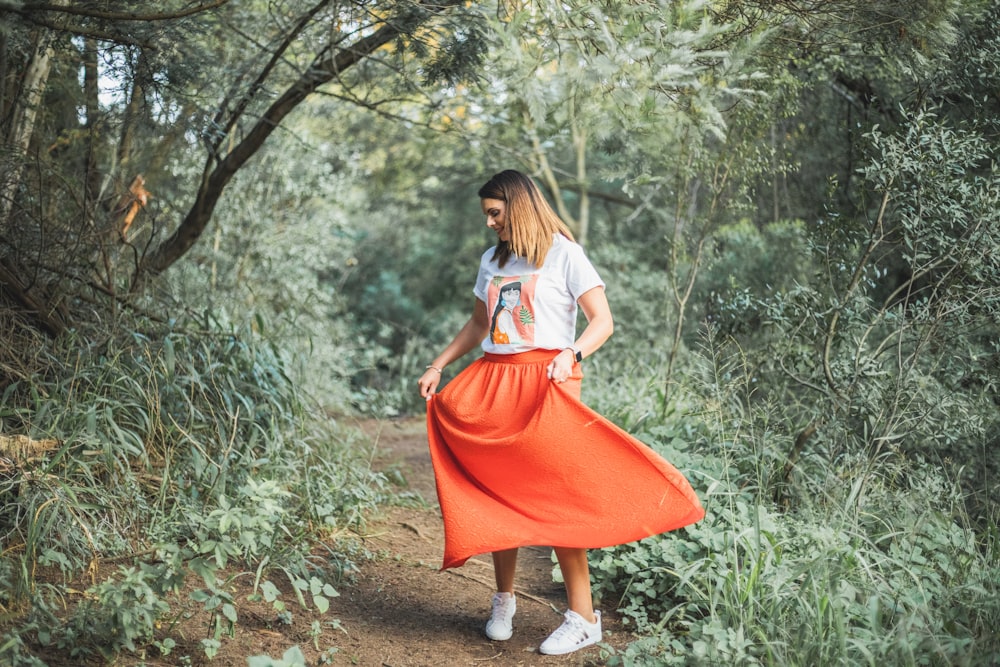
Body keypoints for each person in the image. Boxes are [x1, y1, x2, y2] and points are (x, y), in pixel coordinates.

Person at [417, 169, 704, 656]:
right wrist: (438, 364)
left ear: (519, 205)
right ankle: (503, 600)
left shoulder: (565, 255)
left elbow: (603, 322)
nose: (489, 223)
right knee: (495, 491)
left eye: (494, 213)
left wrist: (573, 354)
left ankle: (584, 617)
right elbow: (479, 323)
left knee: (558, 495)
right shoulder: (492, 260)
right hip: (495, 380)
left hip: (547, 382)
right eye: (486, 215)